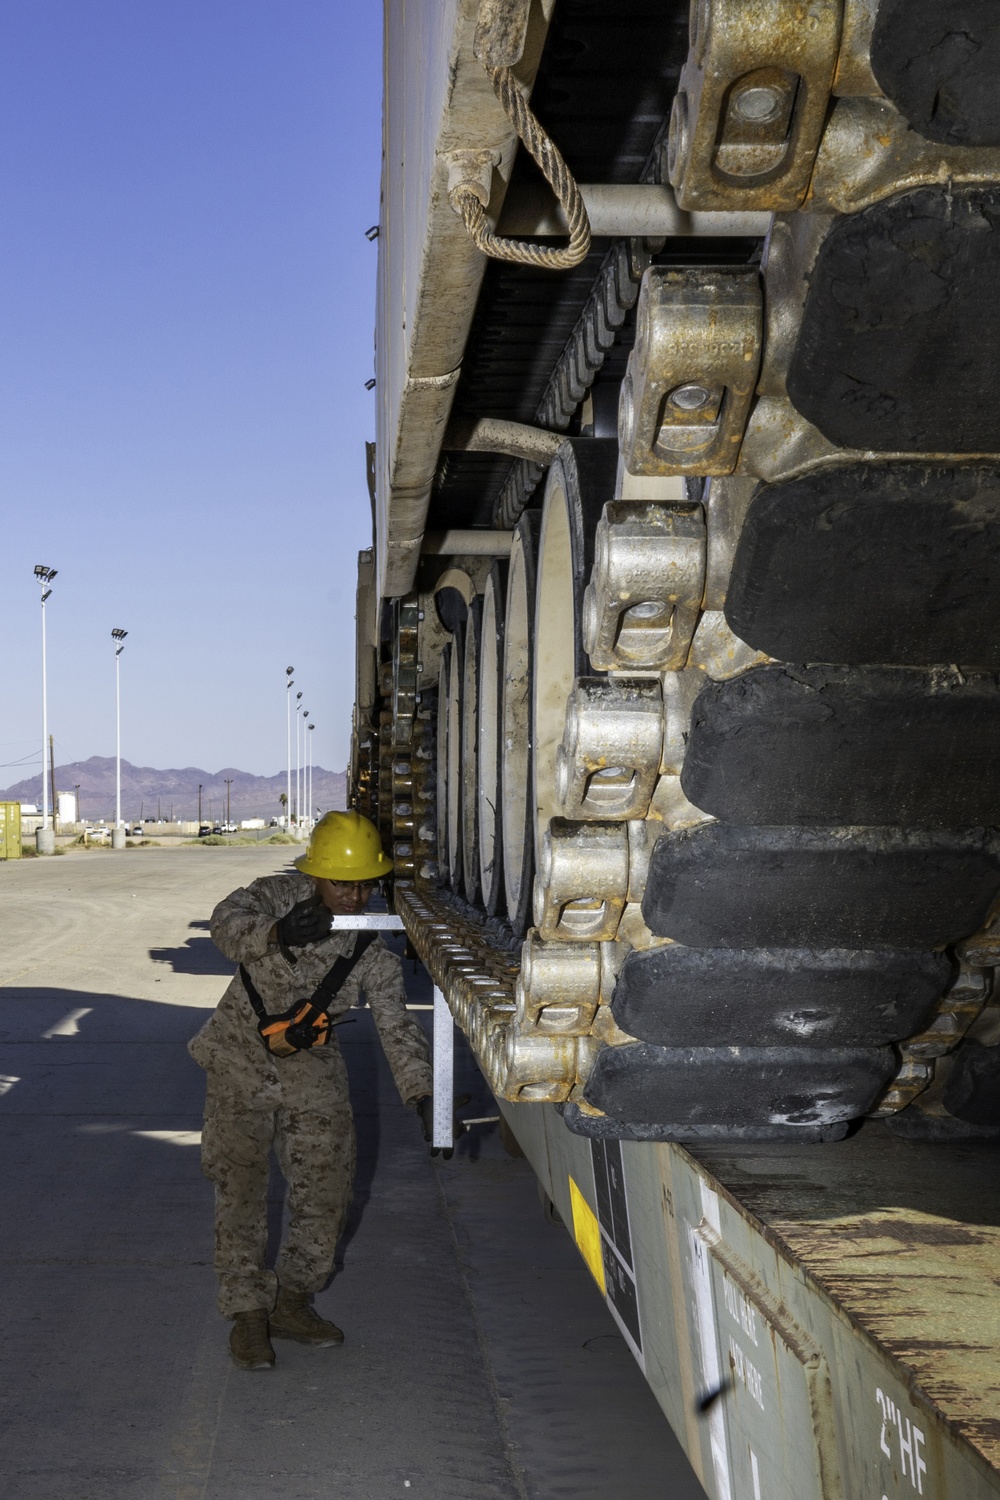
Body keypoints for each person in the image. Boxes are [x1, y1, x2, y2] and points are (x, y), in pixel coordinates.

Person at [189, 809, 435, 1371]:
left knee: (327, 1189)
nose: (353, 896)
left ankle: (293, 1301)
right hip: (237, 1061)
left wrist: (421, 1095)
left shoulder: (371, 947)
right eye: (341, 883)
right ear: (317, 873)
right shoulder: (275, 895)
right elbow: (224, 925)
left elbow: (396, 1024)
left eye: (364, 884)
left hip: (313, 1067)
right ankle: (249, 1316)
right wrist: (276, 933)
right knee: (240, 1189)